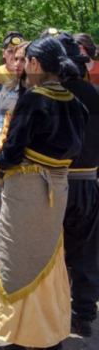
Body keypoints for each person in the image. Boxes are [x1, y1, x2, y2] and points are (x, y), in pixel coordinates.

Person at [0, 37, 88, 350]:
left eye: (26, 61)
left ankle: (25, 336)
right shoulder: (75, 101)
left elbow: (13, 150)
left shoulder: (34, 99)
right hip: (57, 187)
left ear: (35, 64)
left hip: (27, 189)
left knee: (20, 259)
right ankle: (50, 333)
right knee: (49, 256)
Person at [53, 32, 99, 338]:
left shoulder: (51, 95)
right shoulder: (96, 95)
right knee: (85, 253)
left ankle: (51, 316)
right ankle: (84, 314)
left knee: (50, 255)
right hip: (89, 184)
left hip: (56, 183)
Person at [0, 40, 28, 228]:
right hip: (0, 158)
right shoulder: (7, 88)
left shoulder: (39, 92)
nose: (17, 64)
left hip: (26, 164)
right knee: (3, 218)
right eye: (15, 58)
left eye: (23, 59)